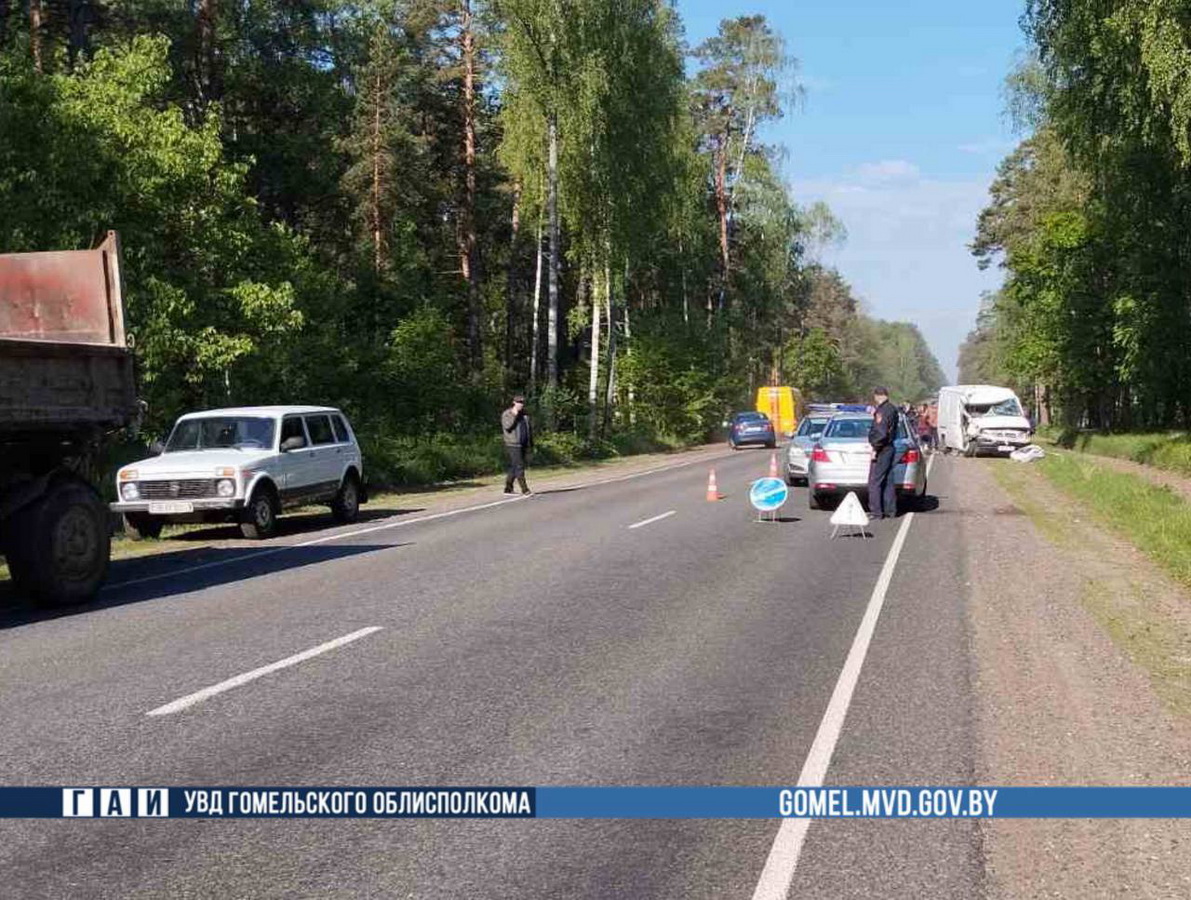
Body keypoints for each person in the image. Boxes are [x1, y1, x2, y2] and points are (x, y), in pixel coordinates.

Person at [867, 386, 899, 519]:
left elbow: (881, 433)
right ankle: (890, 510)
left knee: (875, 481)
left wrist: (875, 448)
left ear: (877, 396)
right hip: (889, 447)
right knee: (888, 481)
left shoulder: (882, 411)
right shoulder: (892, 408)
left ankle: (876, 512)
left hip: (882, 449)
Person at [501, 394, 533, 495]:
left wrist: (531, 443)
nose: (521, 404)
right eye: (519, 402)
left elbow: (529, 429)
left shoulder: (525, 415)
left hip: (523, 443)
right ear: (514, 402)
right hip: (513, 444)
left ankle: (508, 488)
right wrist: (514, 415)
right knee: (519, 467)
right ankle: (525, 489)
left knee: (514, 466)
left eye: (522, 402)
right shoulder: (507, 413)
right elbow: (507, 426)